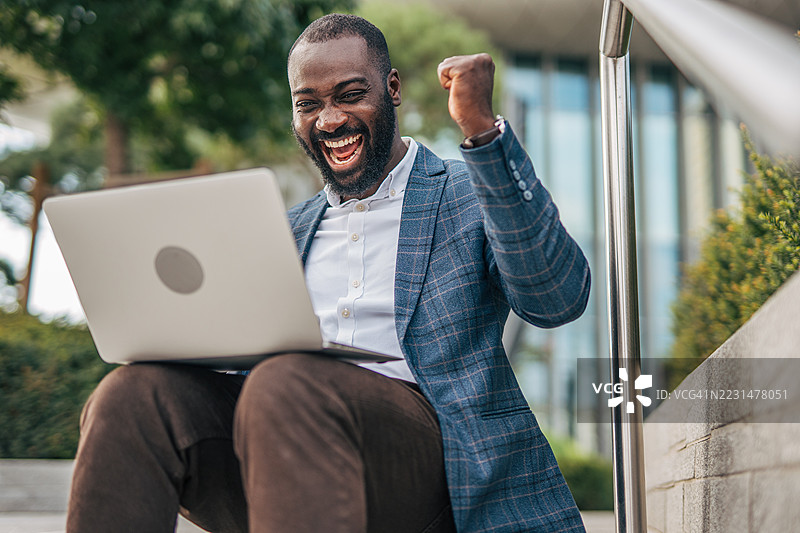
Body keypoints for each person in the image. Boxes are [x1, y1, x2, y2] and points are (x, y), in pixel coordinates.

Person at [66, 13, 591, 533]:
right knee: (131, 396)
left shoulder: (468, 191)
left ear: (392, 89)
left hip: (432, 466)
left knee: (287, 381)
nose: (329, 120)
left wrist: (482, 132)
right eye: (308, 104)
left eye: (350, 95)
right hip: (278, 446)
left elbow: (557, 299)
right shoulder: (282, 230)